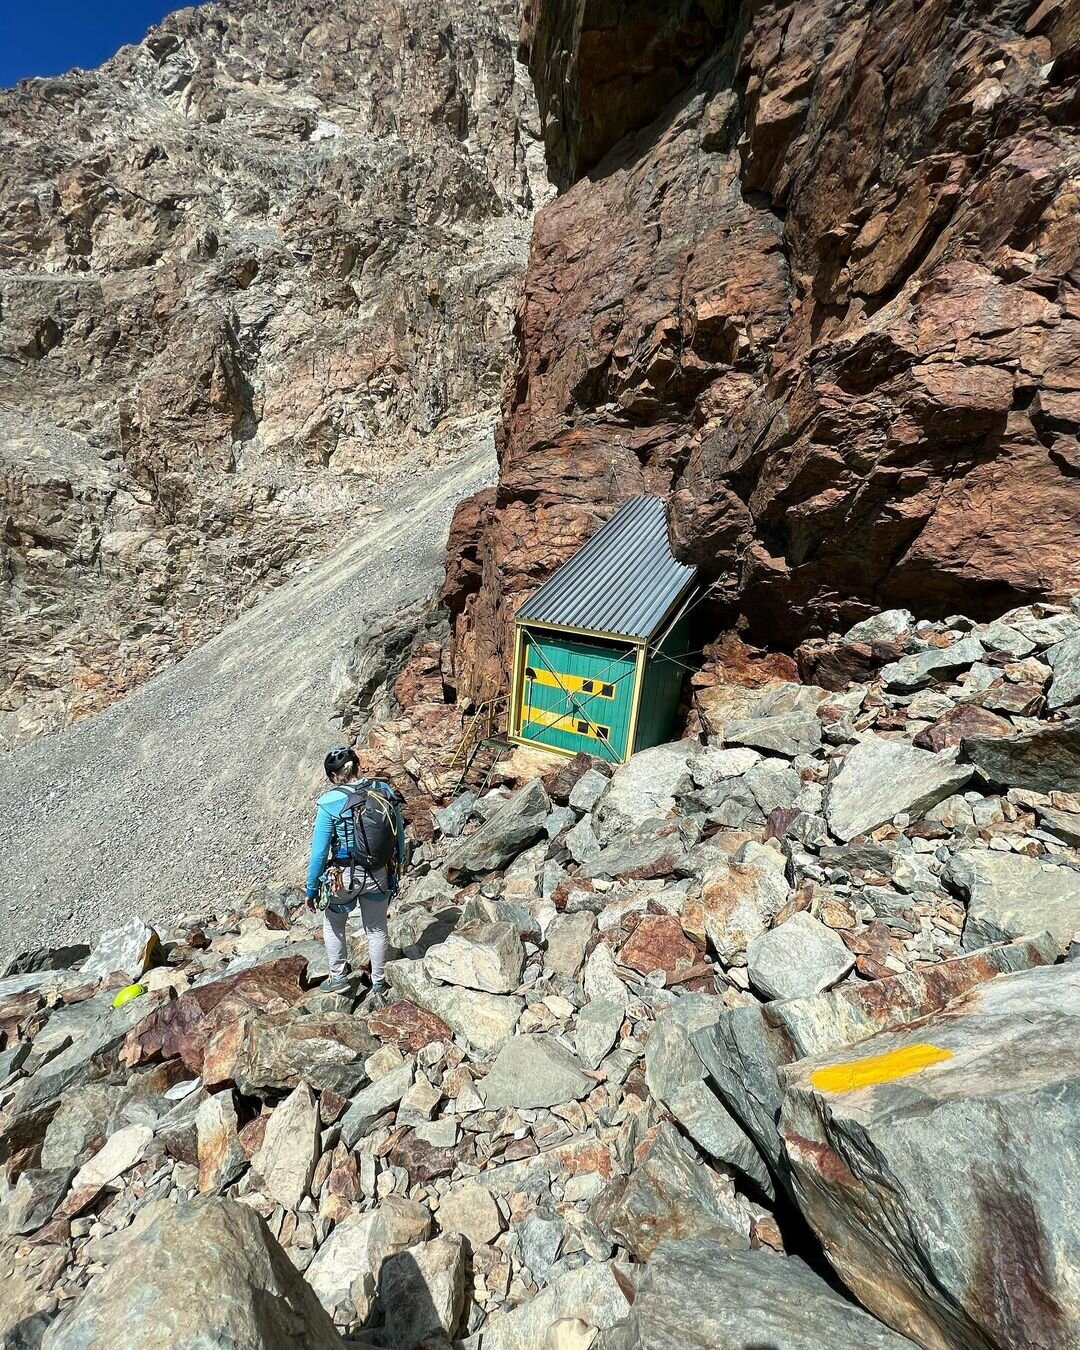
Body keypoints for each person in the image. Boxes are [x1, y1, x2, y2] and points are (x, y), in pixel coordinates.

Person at [304, 745, 406, 996]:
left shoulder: (329, 802)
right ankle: (379, 982)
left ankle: (338, 977)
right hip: (378, 873)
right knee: (377, 928)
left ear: (333, 776)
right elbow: (398, 835)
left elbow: (319, 853)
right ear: (358, 768)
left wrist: (311, 888)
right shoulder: (383, 791)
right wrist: (397, 866)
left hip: (344, 877)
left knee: (333, 922)